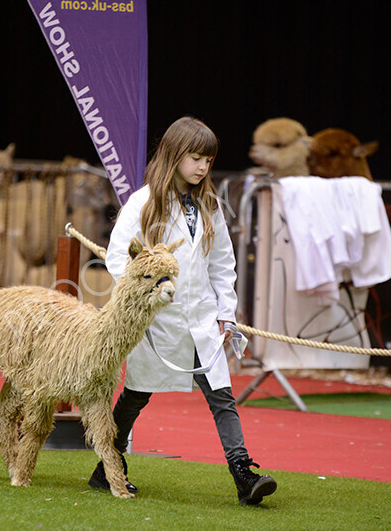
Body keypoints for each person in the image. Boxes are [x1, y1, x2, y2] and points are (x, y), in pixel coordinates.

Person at [87, 116, 277, 505]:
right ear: (174, 156)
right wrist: (147, 294)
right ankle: (107, 467)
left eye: (208, 159)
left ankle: (244, 475)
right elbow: (119, 260)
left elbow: (223, 263)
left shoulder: (209, 204)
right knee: (136, 397)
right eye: (195, 158)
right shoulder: (142, 203)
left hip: (202, 319)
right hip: (157, 322)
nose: (203, 167)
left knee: (222, 396)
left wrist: (226, 310)